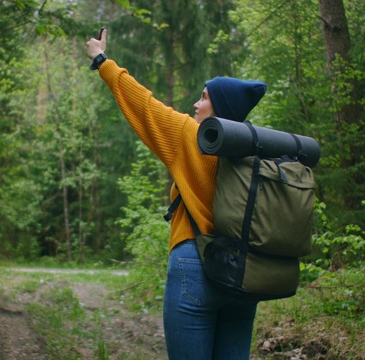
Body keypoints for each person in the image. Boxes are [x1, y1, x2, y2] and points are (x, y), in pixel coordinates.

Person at [86, 28, 267, 360]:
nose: (196, 104)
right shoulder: (256, 155)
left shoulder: (191, 136)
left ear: (220, 107)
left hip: (194, 263)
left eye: (204, 97)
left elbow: (143, 105)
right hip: (244, 274)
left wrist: (102, 60)